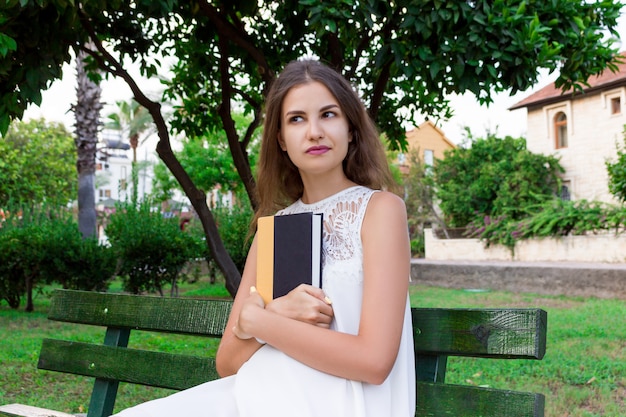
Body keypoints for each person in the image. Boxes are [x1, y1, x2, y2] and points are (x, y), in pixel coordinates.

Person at [113, 59, 415, 417]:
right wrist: (278, 311)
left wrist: (261, 321)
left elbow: (374, 361)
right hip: (259, 395)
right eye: (297, 119)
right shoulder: (275, 229)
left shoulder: (380, 210)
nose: (315, 131)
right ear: (282, 141)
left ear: (351, 128)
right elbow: (228, 362)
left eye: (329, 114)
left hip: (342, 404)